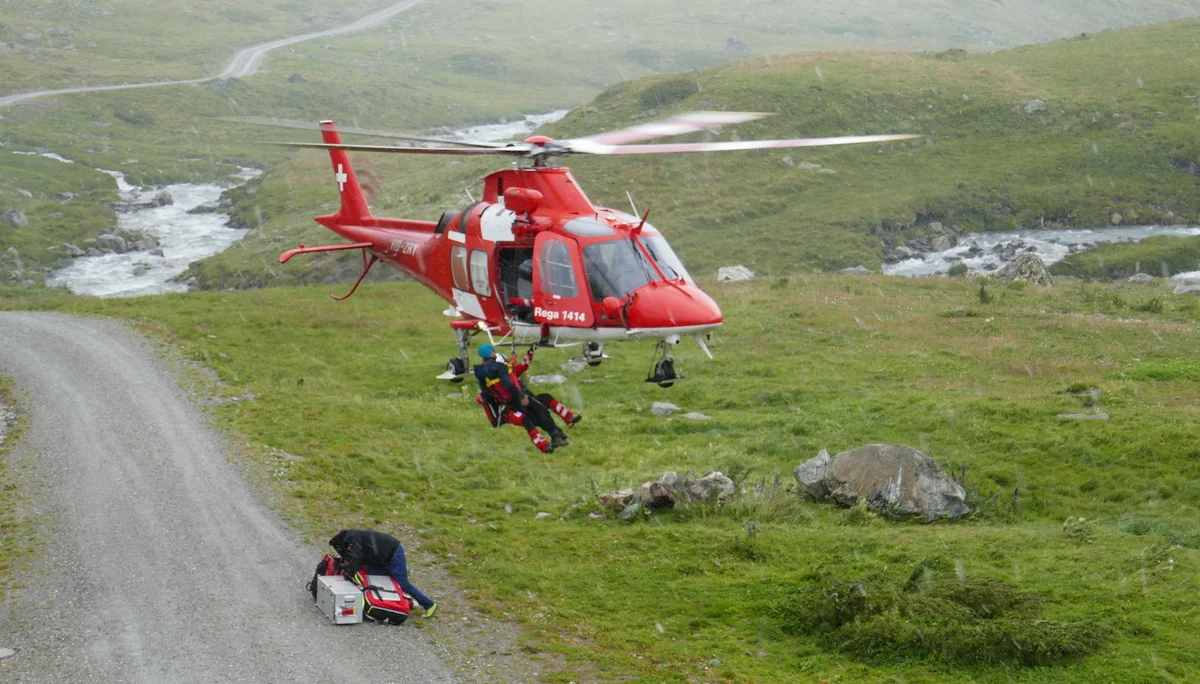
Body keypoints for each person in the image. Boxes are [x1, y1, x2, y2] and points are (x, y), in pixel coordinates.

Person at [474, 343, 580, 452]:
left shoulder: (498, 373)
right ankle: (553, 437)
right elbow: (506, 388)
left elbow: (523, 366)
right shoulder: (498, 378)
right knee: (534, 416)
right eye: (493, 352)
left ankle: (565, 423)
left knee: (544, 401)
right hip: (516, 403)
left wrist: (530, 353)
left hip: (519, 399)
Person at [329, 529, 437, 617]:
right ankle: (392, 602)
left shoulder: (353, 538)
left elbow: (356, 558)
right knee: (370, 575)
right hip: (381, 557)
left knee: (403, 583)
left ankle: (429, 604)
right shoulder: (351, 537)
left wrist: (349, 574)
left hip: (393, 553)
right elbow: (359, 558)